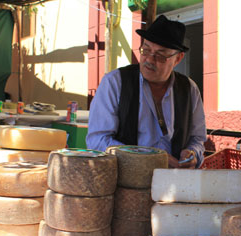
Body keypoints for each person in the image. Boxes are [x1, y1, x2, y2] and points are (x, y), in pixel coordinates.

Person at [86, 15, 206, 169]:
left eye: (160, 55)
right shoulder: (115, 82)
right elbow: (98, 140)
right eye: (146, 50)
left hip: (174, 183)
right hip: (126, 183)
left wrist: (192, 153)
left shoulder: (190, 89)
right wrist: (150, 157)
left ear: (178, 59)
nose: (149, 59)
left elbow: (197, 139)